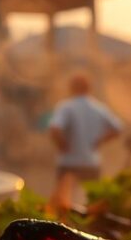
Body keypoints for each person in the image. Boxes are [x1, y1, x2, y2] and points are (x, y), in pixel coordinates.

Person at [48, 74, 123, 212]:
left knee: (60, 205)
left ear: (71, 88)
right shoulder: (99, 108)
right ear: (89, 89)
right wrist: (100, 140)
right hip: (91, 163)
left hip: (69, 163)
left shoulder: (66, 107)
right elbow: (117, 128)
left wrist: (62, 144)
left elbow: (54, 129)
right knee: (92, 203)